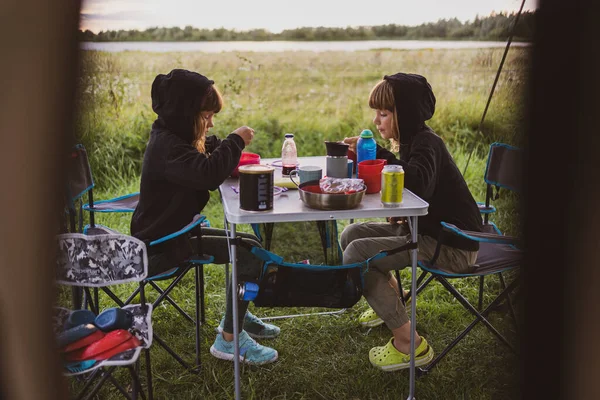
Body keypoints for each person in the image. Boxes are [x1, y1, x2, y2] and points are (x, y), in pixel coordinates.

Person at [130, 69, 279, 365]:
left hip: (171, 235)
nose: (211, 123)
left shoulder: (171, 137)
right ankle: (228, 339)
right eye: (206, 116)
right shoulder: (169, 148)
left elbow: (200, 153)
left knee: (249, 244)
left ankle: (239, 316)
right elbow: (208, 174)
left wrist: (220, 146)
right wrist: (235, 141)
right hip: (160, 247)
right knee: (250, 253)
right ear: (185, 113)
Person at [341, 73, 482, 371]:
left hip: (452, 245)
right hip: (430, 231)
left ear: (405, 113)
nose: (377, 121)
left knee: (357, 254)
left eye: (384, 113)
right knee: (351, 233)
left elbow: (417, 184)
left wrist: (377, 155)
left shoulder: (427, 142)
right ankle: (390, 305)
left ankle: (409, 343)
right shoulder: (411, 143)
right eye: (376, 114)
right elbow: (419, 195)